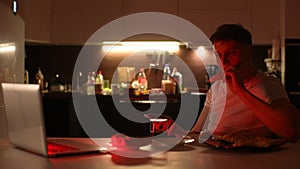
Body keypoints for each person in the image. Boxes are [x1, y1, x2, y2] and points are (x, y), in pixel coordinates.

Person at [188, 24, 300, 142]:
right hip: (215, 153)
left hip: (246, 157)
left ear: (250, 52)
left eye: (231, 53)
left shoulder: (268, 85)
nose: (223, 61)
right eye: (218, 55)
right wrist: (180, 134)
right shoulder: (216, 88)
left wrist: (241, 91)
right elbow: (196, 132)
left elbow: (292, 131)